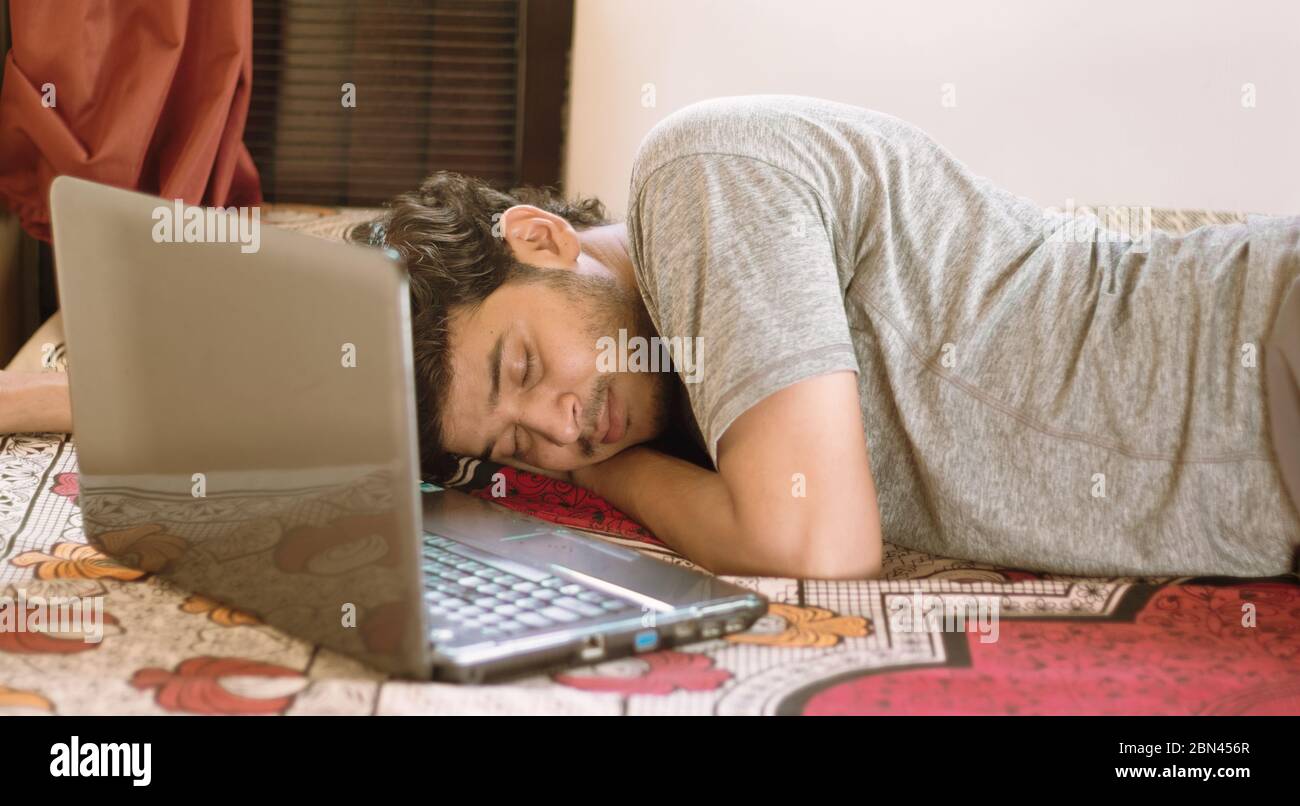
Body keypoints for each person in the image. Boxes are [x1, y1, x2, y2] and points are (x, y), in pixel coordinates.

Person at [6, 95, 1299, 580]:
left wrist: (590, 471)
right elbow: (290, 377)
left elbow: (815, 538)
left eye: (527, 373)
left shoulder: (695, 183)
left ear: (546, 236)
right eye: (516, 438)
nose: (561, 426)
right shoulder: (665, 371)